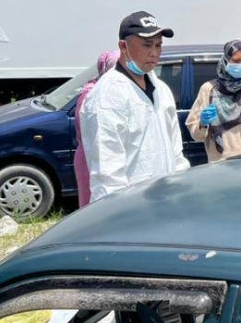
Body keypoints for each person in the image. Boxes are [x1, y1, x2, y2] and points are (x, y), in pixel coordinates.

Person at [80, 11, 189, 202]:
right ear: (123, 46)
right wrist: (122, 217)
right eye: (147, 45)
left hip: (166, 202)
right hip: (132, 211)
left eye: (158, 45)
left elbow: (175, 152)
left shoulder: (161, 90)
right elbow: (107, 175)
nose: (154, 53)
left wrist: (180, 189)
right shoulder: (107, 96)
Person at [186, 40, 241, 162]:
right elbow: (196, 136)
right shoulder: (209, 90)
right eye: (236, 61)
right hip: (220, 162)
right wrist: (202, 123)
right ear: (225, 60)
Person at [73, 49, 119, 207]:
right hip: (90, 157)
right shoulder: (90, 95)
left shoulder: (115, 92)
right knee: (92, 206)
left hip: (107, 157)